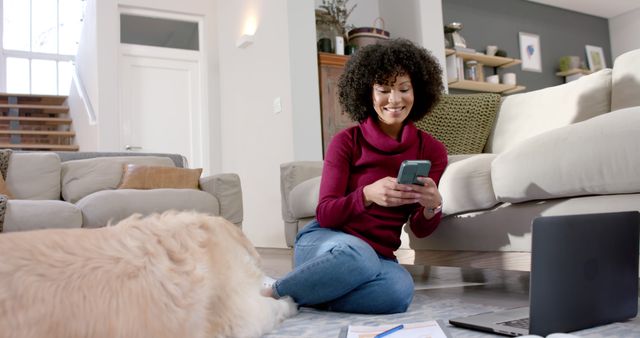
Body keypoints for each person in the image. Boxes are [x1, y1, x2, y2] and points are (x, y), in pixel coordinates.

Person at [266, 38, 447, 314]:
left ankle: (310, 292)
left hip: (380, 256)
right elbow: (325, 213)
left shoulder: (431, 150)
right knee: (359, 258)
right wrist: (367, 195)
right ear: (368, 94)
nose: (395, 100)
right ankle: (272, 293)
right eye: (383, 90)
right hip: (327, 243)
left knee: (399, 292)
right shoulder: (346, 141)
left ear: (417, 90)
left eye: (404, 89)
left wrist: (432, 205)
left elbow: (419, 230)